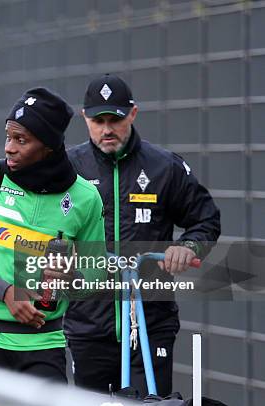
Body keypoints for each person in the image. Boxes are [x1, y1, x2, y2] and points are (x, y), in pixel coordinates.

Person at [64, 74, 221, 396]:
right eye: (98, 120)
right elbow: (40, 227)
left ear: (133, 114)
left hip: (152, 321)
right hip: (88, 323)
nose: (107, 129)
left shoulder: (165, 166)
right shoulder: (68, 168)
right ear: (85, 118)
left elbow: (206, 219)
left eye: (116, 119)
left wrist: (188, 247)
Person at [0, 87, 107, 381]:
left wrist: (73, 280)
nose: (9, 148)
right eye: (8, 136)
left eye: (21, 140)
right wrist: (4, 292)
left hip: (45, 344)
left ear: (49, 146)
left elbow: (96, 275)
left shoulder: (86, 197)